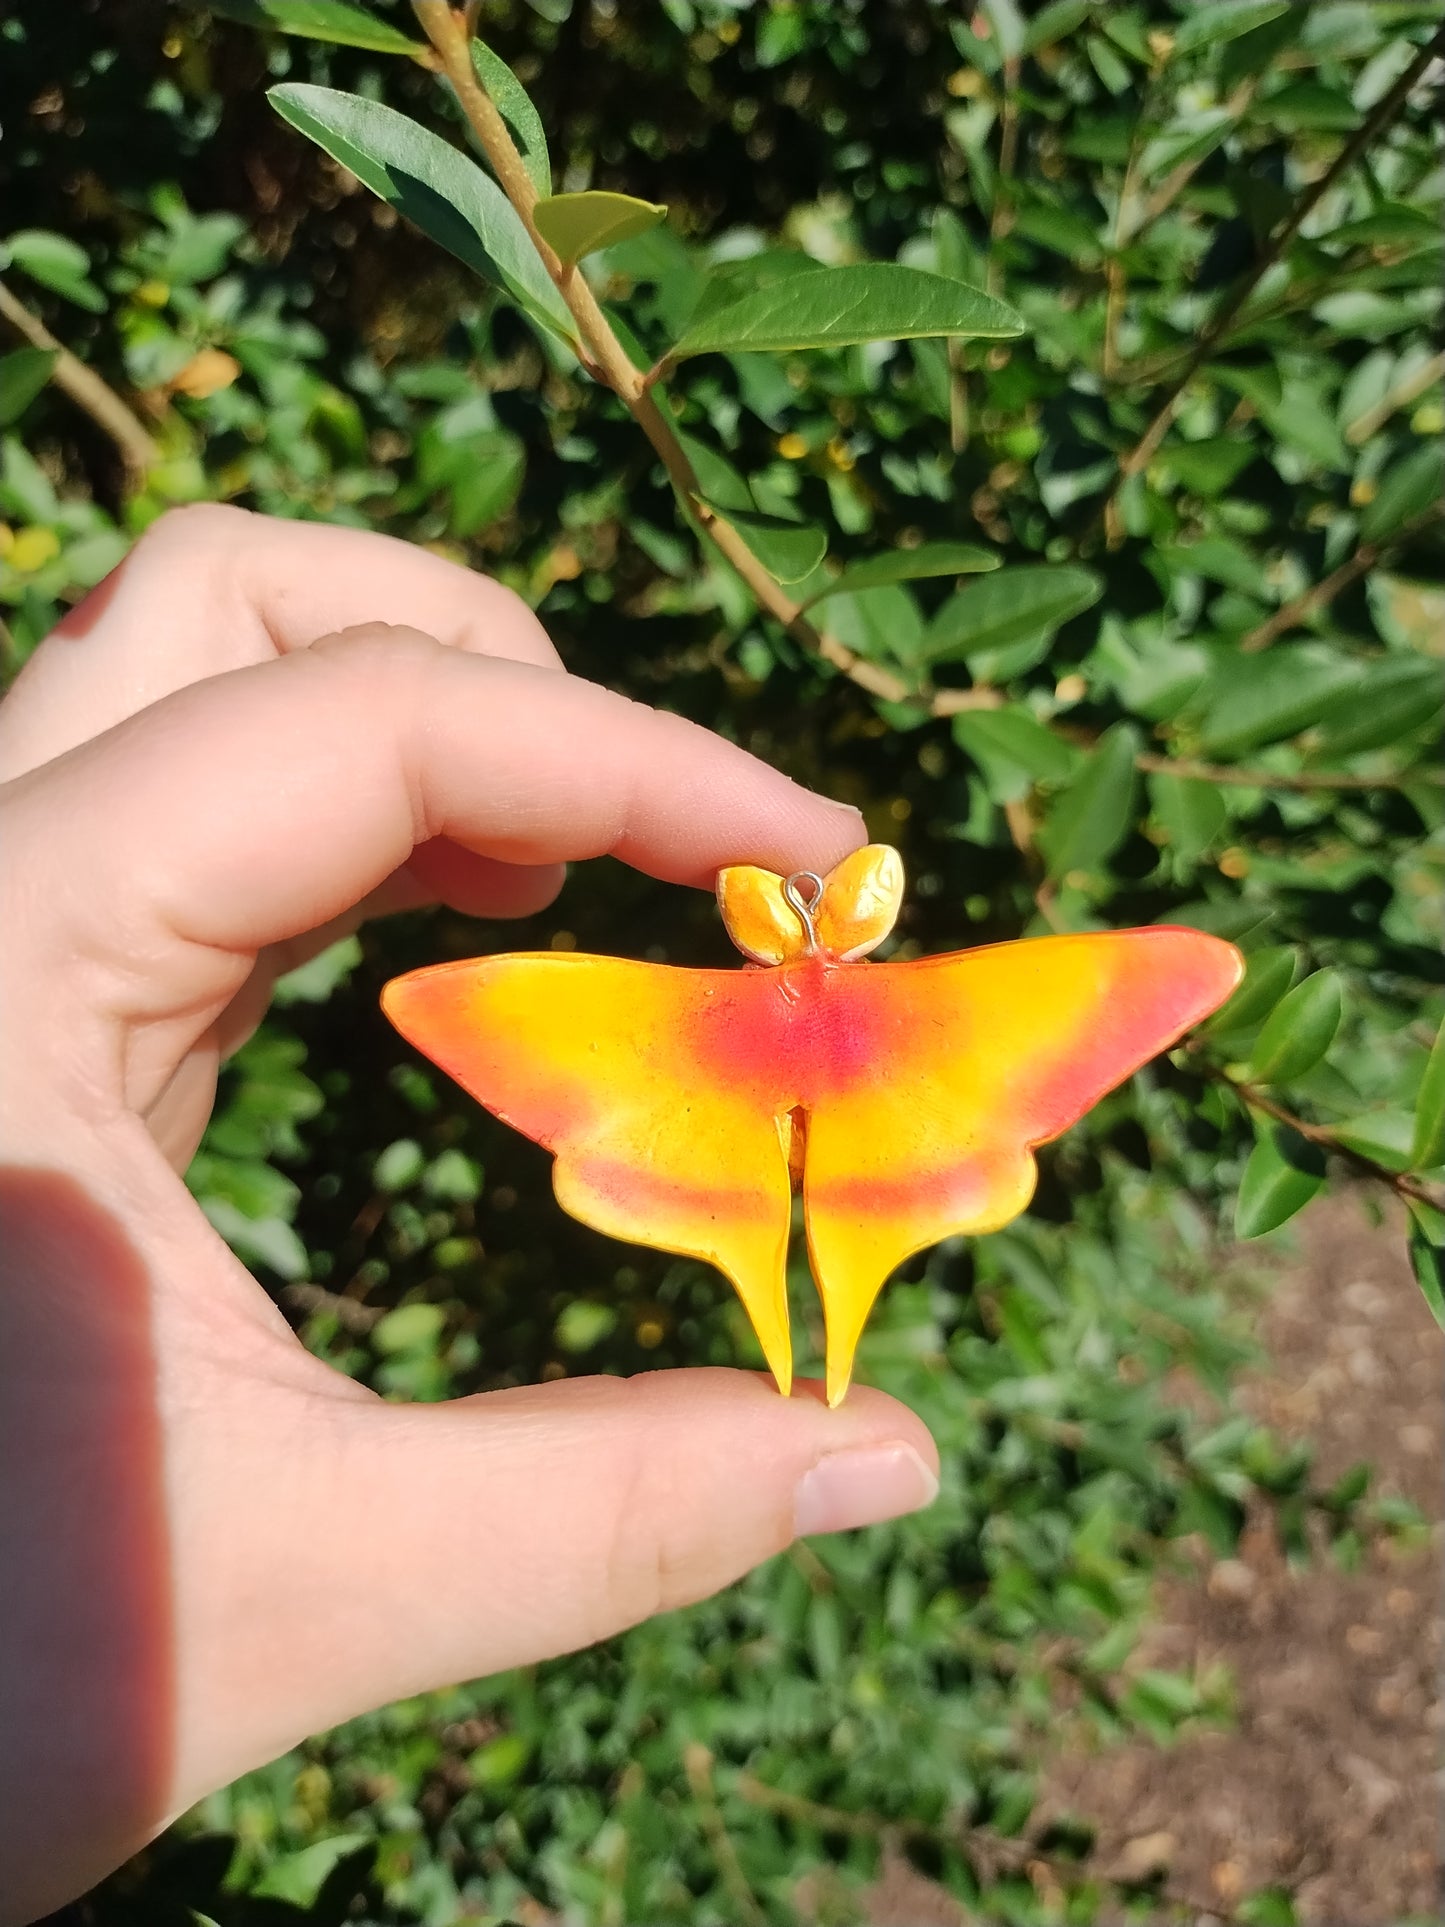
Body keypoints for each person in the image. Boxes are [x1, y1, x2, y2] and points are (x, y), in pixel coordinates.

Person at [0, 506, 939, 1921]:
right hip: (750, 1092)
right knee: (796, 1245)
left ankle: (811, 1342)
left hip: (753, 1087)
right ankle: (811, 1341)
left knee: (795, 1245)